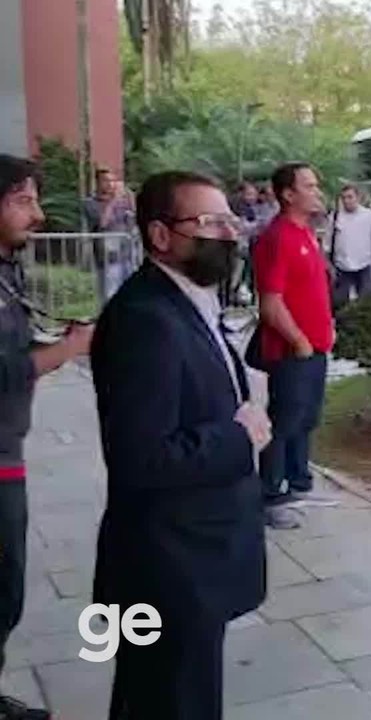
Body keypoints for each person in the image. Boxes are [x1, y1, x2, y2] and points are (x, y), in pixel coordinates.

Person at [90, 170, 269, 720]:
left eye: (228, 220)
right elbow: (143, 458)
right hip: (167, 569)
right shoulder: (146, 319)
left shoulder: (184, 301)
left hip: (186, 564)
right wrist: (241, 437)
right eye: (207, 222)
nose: (226, 234)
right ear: (160, 236)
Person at [0, 155, 93, 720]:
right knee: (4, 587)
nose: (36, 215)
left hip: (9, 443)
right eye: (22, 201)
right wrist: (72, 348)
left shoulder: (8, 269)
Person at [252, 163, 334, 530]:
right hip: (292, 351)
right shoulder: (279, 237)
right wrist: (299, 341)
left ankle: (299, 481)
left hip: (315, 346)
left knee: (305, 418)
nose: (317, 191)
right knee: (284, 421)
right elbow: (271, 302)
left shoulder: (306, 234)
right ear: (288, 194)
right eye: (310, 186)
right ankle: (269, 495)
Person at [84, 168, 137, 303]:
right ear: (98, 183)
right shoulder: (91, 203)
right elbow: (102, 223)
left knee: (131, 294)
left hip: (128, 255)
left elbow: (133, 221)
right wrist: (113, 201)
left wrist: (130, 199)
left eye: (113, 181)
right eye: (106, 181)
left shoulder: (122, 203)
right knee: (110, 296)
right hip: (107, 259)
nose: (110, 184)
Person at [331, 184, 371, 308]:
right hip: (342, 266)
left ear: (358, 198)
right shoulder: (335, 217)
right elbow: (328, 241)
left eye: (350, 197)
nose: (346, 201)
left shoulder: (369, 216)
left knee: (366, 300)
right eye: (343, 198)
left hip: (364, 265)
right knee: (339, 301)